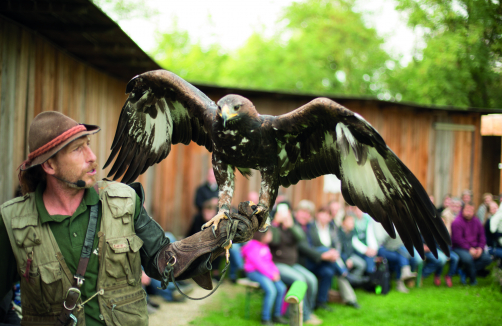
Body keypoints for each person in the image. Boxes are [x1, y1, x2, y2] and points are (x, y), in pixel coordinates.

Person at [0, 111, 259, 326]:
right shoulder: (12, 221)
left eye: (88, 145)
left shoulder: (124, 201)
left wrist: (216, 237)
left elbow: (162, 261)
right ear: (49, 166)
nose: (92, 157)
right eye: (77, 150)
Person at [269, 202, 321, 325]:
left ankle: (309, 310)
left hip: (292, 264)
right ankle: (306, 316)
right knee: (300, 280)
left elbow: (300, 238)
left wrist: (291, 226)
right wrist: (276, 223)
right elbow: (274, 241)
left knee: (312, 279)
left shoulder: (292, 226)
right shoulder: (272, 227)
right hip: (277, 264)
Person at [304, 206, 360, 309]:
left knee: (328, 272)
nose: (325, 217)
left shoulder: (331, 228)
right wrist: (326, 254)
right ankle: (345, 273)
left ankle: (321, 301)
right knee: (325, 250)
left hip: (330, 260)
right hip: (315, 259)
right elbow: (309, 247)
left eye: (328, 215)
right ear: (317, 214)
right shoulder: (310, 227)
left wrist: (336, 254)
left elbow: (337, 245)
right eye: (323, 213)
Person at [241, 230, 288, 325]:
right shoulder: (253, 246)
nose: (271, 235)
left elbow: (269, 261)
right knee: (271, 290)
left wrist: (275, 272)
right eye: (269, 233)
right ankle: (265, 318)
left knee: (281, 288)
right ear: (262, 235)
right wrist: (271, 275)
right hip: (254, 272)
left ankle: (277, 315)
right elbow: (258, 264)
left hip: (267, 273)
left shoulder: (265, 246)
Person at [451, 203, 492, 285]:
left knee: (487, 259)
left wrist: (480, 248)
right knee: (468, 259)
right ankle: (473, 280)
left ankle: (464, 272)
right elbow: (457, 239)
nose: (469, 212)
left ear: (474, 211)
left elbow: (482, 237)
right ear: (462, 210)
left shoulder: (477, 221)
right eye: (467, 210)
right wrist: (469, 249)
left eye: (471, 210)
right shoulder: (456, 222)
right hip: (460, 248)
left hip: (476, 247)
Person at [373, 223, 417, 293]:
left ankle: (404, 274)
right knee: (401, 255)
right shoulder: (376, 223)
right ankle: (401, 279)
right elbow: (380, 238)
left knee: (400, 252)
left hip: (392, 248)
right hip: (380, 249)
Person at [338, 214, 368, 286]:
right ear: (344, 222)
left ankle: (353, 283)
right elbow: (340, 250)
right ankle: (352, 282)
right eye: (350, 222)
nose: (352, 224)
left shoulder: (352, 231)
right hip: (341, 257)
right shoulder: (339, 233)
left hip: (351, 256)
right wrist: (347, 259)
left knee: (362, 264)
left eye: (353, 222)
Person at [351, 207, 378, 274]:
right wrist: (365, 250)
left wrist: (373, 248)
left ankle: (370, 274)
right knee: (368, 258)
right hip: (357, 248)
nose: (359, 212)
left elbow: (371, 235)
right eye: (357, 210)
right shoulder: (352, 220)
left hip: (367, 246)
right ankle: (370, 275)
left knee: (371, 256)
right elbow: (354, 240)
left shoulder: (367, 220)